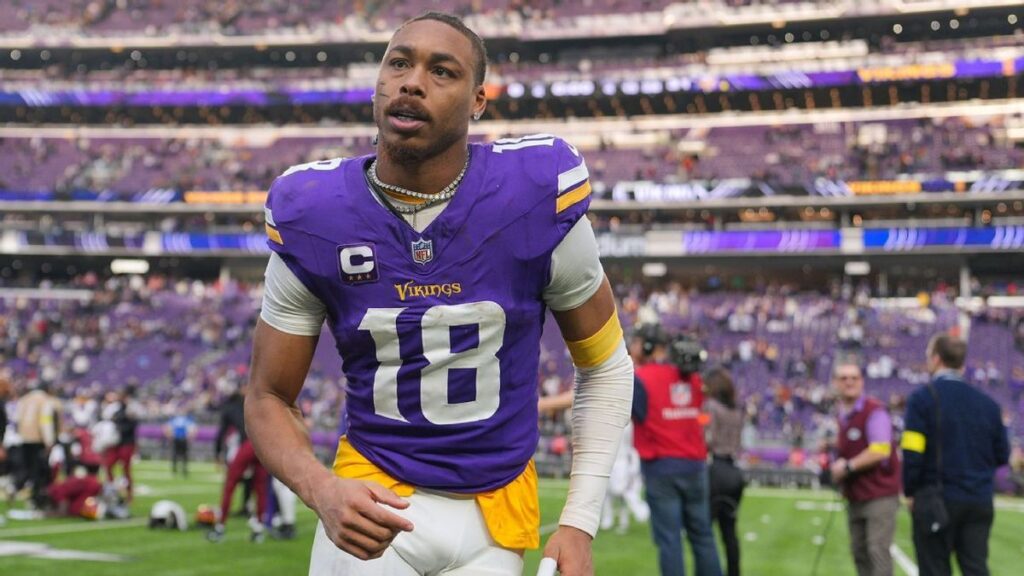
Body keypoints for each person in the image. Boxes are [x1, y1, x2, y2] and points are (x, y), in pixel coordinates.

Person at [245, 11, 633, 576]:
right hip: (375, 498)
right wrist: (320, 488)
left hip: (498, 515)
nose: (412, 82)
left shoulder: (531, 193)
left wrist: (578, 522)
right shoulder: (315, 210)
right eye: (398, 63)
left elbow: (604, 365)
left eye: (441, 71)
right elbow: (268, 395)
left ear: (478, 101)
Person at [901, 334, 1010, 576]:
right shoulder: (989, 405)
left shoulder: (922, 399)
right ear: (961, 362)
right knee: (976, 568)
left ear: (936, 359)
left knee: (934, 569)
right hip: (978, 500)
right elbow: (1002, 454)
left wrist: (910, 490)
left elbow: (912, 452)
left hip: (936, 498)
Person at [633, 328, 722, 576]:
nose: (632, 347)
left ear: (647, 346)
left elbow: (633, 414)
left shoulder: (641, 377)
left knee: (670, 541)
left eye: (636, 342)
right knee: (703, 535)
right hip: (695, 466)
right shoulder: (691, 376)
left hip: (661, 467)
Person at [828, 359, 901, 576]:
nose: (849, 382)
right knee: (859, 552)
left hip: (879, 494)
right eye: (844, 378)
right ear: (835, 383)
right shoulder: (842, 414)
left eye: (854, 378)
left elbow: (880, 450)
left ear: (862, 382)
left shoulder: (874, 411)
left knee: (877, 551)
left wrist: (848, 466)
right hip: (856, 495)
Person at [209, 383, 268, 543]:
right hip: (263, 445)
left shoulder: (230, 407)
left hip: (248, 445)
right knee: (260, 488)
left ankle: (220, 527)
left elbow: (221, 433)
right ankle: (259, 529)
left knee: (230, 485)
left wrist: (217, 454)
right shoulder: (259, 402)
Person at [704, 367, 745, 576]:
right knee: (730, 531)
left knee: (705, 533)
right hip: (734, 472)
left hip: (716, 469)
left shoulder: (710, 407)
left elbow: (706, 436)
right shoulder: (737, 411)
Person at [13, 381, 59, 509]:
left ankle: (23, 492)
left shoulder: (24, 400)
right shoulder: (45, 401)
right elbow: (46, 422)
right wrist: (49, 441)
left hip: (24, 440)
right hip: (38, 441)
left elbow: (17, 420)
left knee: (28, 470)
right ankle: (37, 499)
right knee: (39, 471)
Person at [104, 385, 141, 501]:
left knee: (126, 469)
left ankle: (129, 494)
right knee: (108, 465)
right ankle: (112, 491)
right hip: (116, 443)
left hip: (127, 442)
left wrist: (119, 427)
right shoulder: (116, 409)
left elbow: (132, 425)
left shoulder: (131, 408)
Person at [165, 411, 197, 477]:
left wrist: (170, 436)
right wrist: (190, 437)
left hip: (177, 439)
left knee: (175, 454)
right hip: (183, 439)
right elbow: (193, 429)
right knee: (184, 455)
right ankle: (184, 470)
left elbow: (167, 428)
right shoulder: (186, 420)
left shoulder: (175, 420)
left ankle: (175, 469)